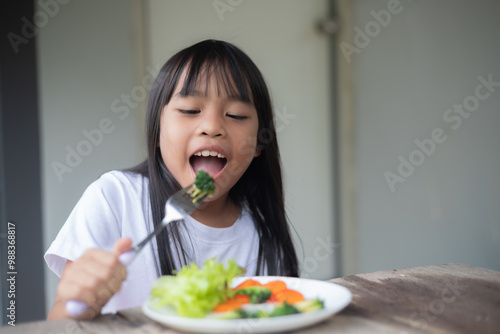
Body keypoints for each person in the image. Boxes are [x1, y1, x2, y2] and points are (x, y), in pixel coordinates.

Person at [45, 39, 299, 320]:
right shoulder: (114, 198)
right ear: (155, 132)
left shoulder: (262, 241)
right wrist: (79, 300)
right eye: (190, 110)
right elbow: (60, 321)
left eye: (236, 115)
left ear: (259, 144)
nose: (212, 127)